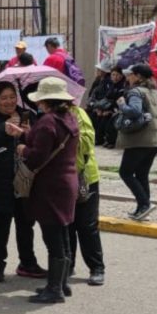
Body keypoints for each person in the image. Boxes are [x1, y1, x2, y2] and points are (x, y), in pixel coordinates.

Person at [13, 77, 79, 304]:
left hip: (50, 186)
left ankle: (54, 289)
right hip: (66, 182)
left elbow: (36, 157)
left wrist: (23, 148)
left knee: (53, 238)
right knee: (63, 234)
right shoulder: (69, 118)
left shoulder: (47, 122)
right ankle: (61, 283)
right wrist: (27, 134)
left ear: (46, 100)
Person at [0, 81, 45, 282]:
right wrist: (3, 130)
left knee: (26, 222)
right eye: (4, 98)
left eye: (12, 97)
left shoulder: (27, 115)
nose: (9, 101)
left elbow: (39, 144)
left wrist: (28, 132)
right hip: (1, 179)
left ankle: (27, 262)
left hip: (25, 178)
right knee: (2, 220)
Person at [116, 64, 157, 221]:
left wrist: (122, 105)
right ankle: (142, 208)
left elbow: (134, 111)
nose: (128, 77)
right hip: (155, 139)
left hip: (140, 139)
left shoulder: (135, 92)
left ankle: (144, 204)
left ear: (137, 76)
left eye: (130, 74)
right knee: (142, 174)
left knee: (125, 172)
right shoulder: (155, 92)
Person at [69, 103, 106, 286]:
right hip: (62, 180)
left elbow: (86, 144)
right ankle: (67, 265)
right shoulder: (47, 117)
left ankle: (96, 268)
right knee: (66, 225)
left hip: (84, 177)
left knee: (87, 226)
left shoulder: (78, 114)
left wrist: (67, 134)